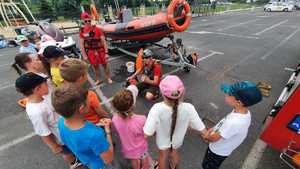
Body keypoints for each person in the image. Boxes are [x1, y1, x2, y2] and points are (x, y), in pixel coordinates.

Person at [15, 73, 81, 169]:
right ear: (37, 89)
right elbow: (43, 132)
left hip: (64, 128)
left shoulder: (42, 96)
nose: (48, 84)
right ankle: (73, 163)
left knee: (72, 147)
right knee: (66, 152)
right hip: (60, 137)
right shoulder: (36, 112)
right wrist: (54, 146)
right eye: (45, 83)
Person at [143, 75, 207, 169]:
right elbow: (203, 130)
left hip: (162, 141)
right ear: (182, 92)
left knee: (162, 156)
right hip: (178, 140)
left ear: (162, 92)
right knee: (175, 153)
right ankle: (173, 167)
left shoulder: (156, 109)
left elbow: (147, 133)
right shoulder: (189, 108)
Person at [202, 81, 262, 169]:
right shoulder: (244, 112)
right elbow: (224, 125)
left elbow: (213, 138)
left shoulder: (234, 122)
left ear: (239, 102)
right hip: (224, 148)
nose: (225, 94)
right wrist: (213, 129)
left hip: (217, 151)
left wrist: (206, 136)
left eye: (229, 94)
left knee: (208, 166)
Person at [52, 84, 114, 169]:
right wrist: (108, 131)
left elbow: (80, 134)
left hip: (87, 160)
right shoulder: (95, 135)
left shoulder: (61, 122)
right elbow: (108, 159)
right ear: (81, 108)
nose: (90, 99)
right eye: (88, 98)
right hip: (100, 164)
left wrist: (95, 126)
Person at [112, 89, 156, 169]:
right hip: (140, 149)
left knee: (134, 162)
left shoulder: (114, 119)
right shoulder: (141, 119)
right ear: (133, 106)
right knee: (145, 164)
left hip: (127, 150)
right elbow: (147, 134)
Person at [59, 58, 110, 125]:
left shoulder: (61, 95)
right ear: (81, 77)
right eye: (86, 73)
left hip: (77, 125)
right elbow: (100, 112)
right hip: (95, 124)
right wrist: (108, 118)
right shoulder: (89, 95)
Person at [79, 12, 112, 85]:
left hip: (100, 50)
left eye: (89, 20)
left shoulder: (97, 29)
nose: (88, 22)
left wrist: (106, 53)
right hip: (91, 52)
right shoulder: (82, 31)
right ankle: (98, 79)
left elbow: (103, 41)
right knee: (95, 67)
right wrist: (84, 55)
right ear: (83, 21)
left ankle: (108, 77)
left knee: (105, 65)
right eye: (85, 21)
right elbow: (81, 44)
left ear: (91, 20)